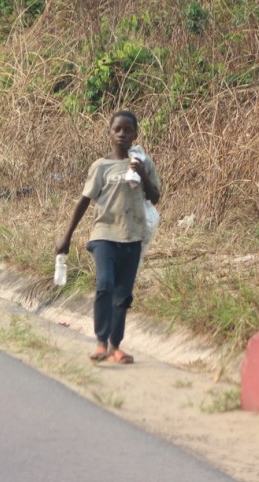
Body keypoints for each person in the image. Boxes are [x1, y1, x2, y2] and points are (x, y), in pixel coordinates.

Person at [55, 110, 161, 364]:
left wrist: (143, 174)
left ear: (135, 135)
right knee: (105, 284)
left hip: (133, 236)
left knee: (123, 294)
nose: (122, 134)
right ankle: (101, 342)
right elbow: (83, 202)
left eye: (128, 130)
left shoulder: (143, 163)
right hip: (103, 234)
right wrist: (67, 237)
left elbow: (155, 197)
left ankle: (115, 347)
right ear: (110, 134)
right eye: (117, 129)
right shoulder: (101, 166)